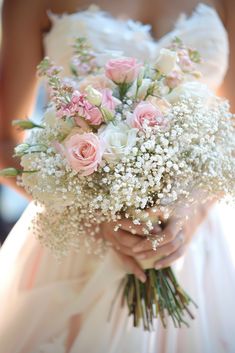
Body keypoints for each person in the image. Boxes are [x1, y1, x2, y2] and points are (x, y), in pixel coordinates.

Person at [0, 1, 234, 352]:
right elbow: (4, 139)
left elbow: (231, 136)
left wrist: (188, 213)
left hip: (194, 245)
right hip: (74, 244)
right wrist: (93, 216)